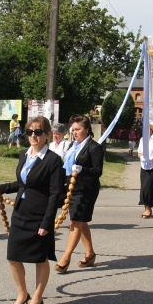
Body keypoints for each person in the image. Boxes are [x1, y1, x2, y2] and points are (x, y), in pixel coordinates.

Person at [0, 116, 64, 304]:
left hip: (39, 216)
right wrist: (1, 188)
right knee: (13, 256)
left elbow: (55, 194)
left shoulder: (53, 160)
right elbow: (23, 183)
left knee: (39, 259)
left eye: (38, 132)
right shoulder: (25, 155)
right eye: (30, 132)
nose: (33, 136)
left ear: (47, 135)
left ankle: (37, 297)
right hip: (21, 212)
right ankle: (22, 294)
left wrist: (47, 222)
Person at [54, 114, 104, 273]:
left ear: (87, 129)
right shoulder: (70, 146)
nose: (75, 132)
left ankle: (66, 257)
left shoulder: (94, 147)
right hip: (70, 188)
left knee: (75, 221)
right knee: (80, 221)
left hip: (86, 189)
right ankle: (90, 253)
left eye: (78, 129)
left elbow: (97, 171)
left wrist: (83, 169)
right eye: (73, 129)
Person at [138, 125, 153, 219]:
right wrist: (141, 157)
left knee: (148, 187)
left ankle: (148, 209)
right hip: (144, 166)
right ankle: (146, 208)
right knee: (143, 188)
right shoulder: (142, 139)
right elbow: (139, 152)